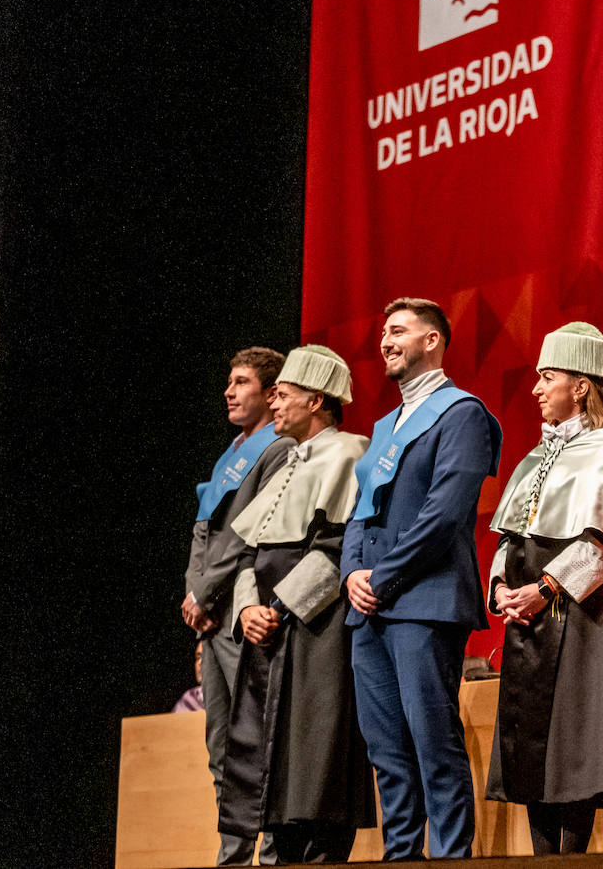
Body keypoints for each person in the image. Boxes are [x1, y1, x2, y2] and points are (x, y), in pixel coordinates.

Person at [343, 298, 502, 860]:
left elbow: (444, 513)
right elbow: (359, 510)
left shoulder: (462, 413)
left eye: (397, 332)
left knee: (433, 743)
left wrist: (379, 576)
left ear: (432, 341)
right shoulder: (385, 424)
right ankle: (401, 857)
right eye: (383, 332)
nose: (385, 342)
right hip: (369, 608)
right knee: (386, 750)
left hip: (423, 602)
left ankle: (452, 857)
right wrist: (350, 576)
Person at [218, 345, 377, 862]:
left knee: (313, 754)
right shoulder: (285, 459)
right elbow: (248, 551)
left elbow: (336, 545)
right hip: (264, 631)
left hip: (314, 628)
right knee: (262, 761)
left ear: (316, 400)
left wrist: (279, 609)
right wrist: (247, 611)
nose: (274, 403)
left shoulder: (349, 452)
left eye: (282, 395)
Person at [484, 322, 603, 855]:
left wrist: (546, 587)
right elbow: (511, 533)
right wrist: (500, 585)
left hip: (577, 610)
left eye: (548, 378)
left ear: (582, 386)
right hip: (526, 614)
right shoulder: (535, 456)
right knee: (528, 747)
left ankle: (573, 860)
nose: (537, 389)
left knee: (572, 743)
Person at [181, 346, 291, 865]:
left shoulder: (277, 449)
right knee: (220, 747)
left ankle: (267, 852)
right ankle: (232, 854)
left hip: (242, 612)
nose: (229, 390)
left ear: (272, 394)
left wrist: (208, 592)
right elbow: (204, 531)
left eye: (242, 381)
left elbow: (250, 537)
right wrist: (192, 590)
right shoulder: (230, 453)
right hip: (210, 617)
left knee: (255, 744)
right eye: (229, 380)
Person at [171, 641, 206, 713]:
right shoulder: (190, 698)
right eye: (198, 657)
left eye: (205, 656)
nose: (199, 663)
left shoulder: (232, 698)